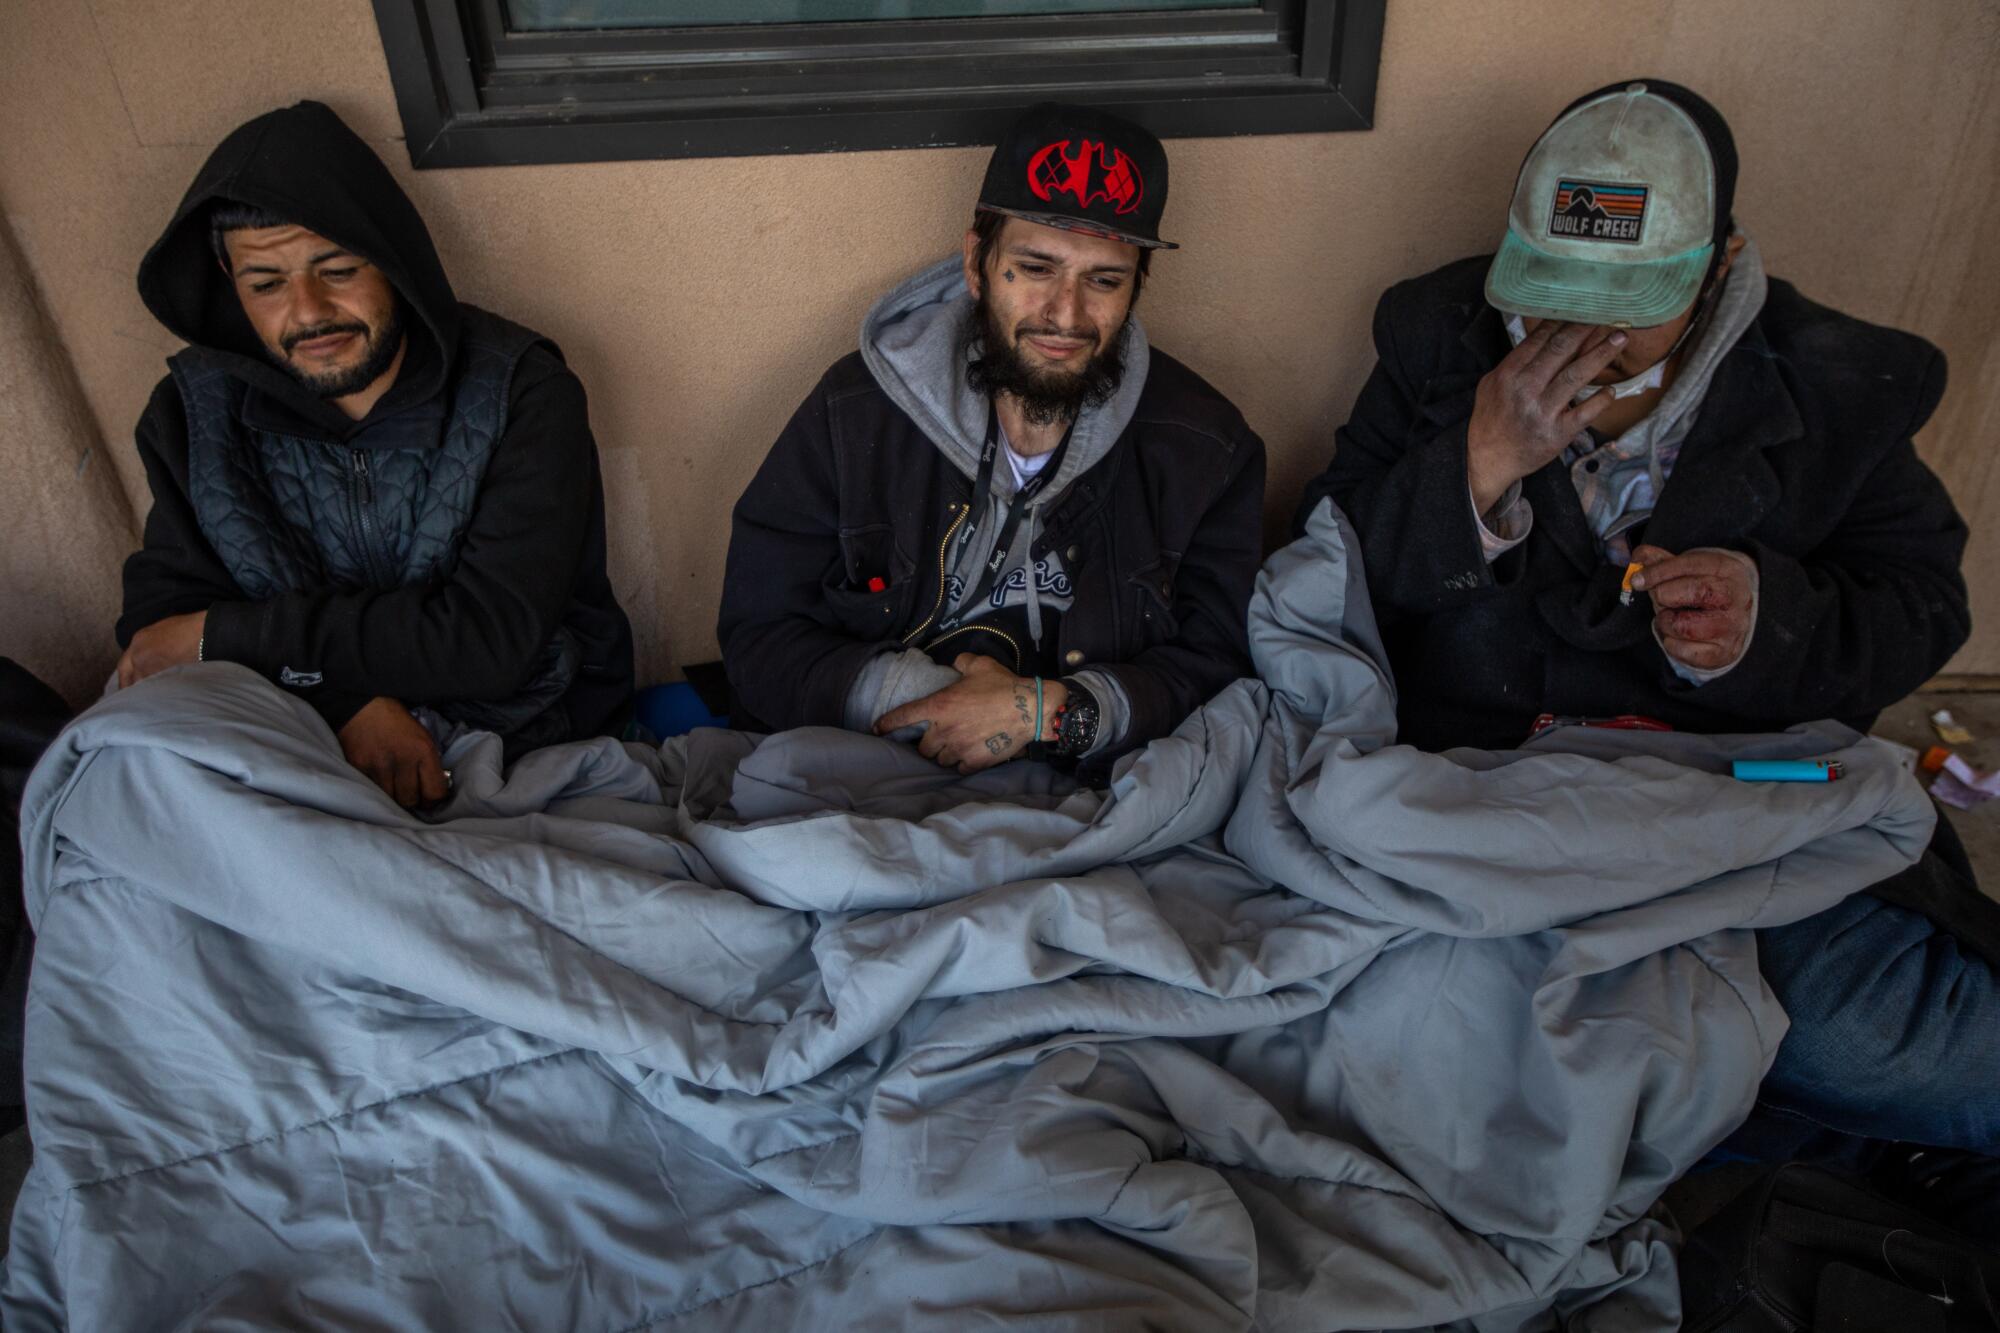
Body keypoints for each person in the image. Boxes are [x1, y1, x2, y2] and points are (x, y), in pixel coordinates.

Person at [1300, 79, 1998, 1233]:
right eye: (1551, 302)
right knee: (1429, 1083)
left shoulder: (1839, 383)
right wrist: (1471, 471)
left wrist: (1761, 621)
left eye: (1629, 310)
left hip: (1730, 807)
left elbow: (1919, 604)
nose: (1583, 343)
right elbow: (1323, 576)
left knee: (1899, 1050)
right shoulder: (1435, 337)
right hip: (1500, 805)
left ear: (1718, 270)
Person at [719, 103, 1264, 774]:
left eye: (1104, 280)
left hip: (1089, 789)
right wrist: (922, 701)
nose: (1066, 314)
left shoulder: (1205, 449)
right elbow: (759, 634)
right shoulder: (857, 412)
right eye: (1036, 268)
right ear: (977, 263)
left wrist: (1050, 712)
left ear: (1136, 288)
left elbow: (1221, 662)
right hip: (867, 768)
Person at [117, 101, 634, 805]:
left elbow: (488, 637)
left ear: (392, 258)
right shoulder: (192, 414)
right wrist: (347, 703)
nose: (307, 311)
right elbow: (162, 631)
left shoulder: (524, 393)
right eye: (266, 284)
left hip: (519, 734)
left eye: (336, 269)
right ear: (227, 279)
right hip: (294, 740)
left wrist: (236, 637)